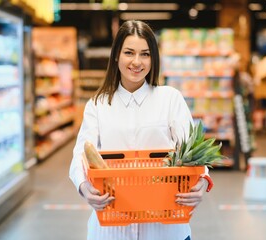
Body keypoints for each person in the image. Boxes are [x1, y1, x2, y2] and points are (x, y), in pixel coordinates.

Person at [69, 20, 211, 240]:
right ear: (116, 55)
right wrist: (84, 187)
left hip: (165, 229)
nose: (137, 61)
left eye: (145, 54)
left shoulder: (170, 99)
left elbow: (193, 151)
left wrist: (202, 181)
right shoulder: (97, 104)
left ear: (153, 58)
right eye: (129, 52)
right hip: (112, 229)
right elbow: (81, 154)